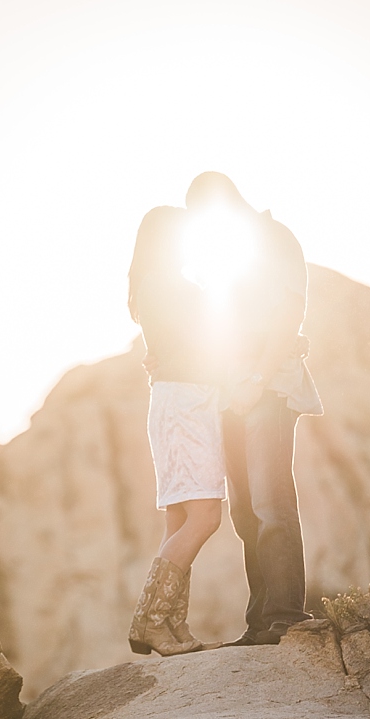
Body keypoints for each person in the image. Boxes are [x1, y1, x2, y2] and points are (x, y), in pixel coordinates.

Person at [183, 171, 323, 647]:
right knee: (245, 513)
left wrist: (260, 378)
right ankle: (260, 621)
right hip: (228, 392)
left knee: (270, 500)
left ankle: (287, 614)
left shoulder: (276, 239)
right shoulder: (224, 256)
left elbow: (289, 314)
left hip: (269, 386)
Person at [125, 205, 228, 656]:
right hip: (184, 402)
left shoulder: (155, 285)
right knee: (205, 515)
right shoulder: (168, 285)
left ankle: (169, 623)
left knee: (181, 518)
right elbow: (202, 344)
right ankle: (151, 621)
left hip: (178, 400)